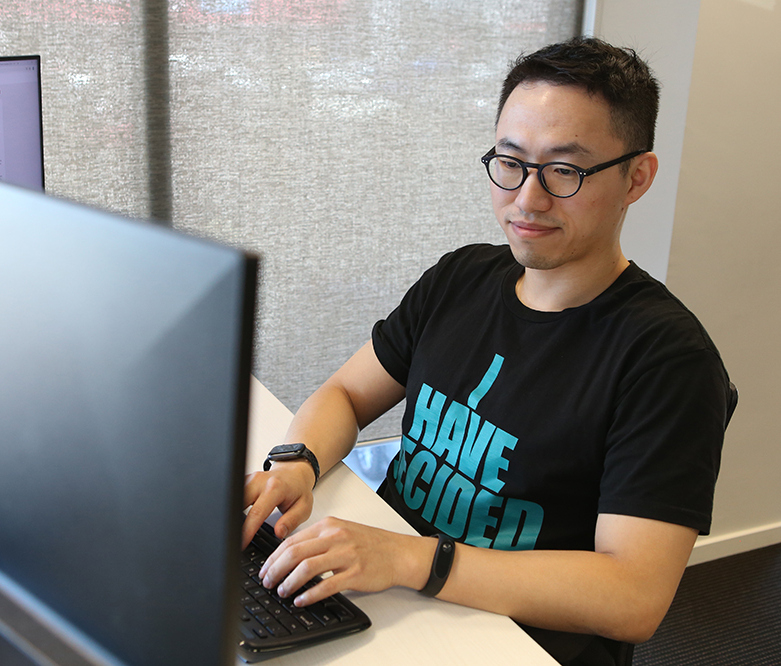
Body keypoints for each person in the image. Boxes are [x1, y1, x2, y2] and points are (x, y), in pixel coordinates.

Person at [241, 36, 731, 666]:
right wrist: (296, 463)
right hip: (382, 591)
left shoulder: (668, 362)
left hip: (514, 639)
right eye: (510, 161)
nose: (527, 199)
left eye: (565, 170)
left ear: (637, 177)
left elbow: (633, 595)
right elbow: (346, 393)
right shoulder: (462, 278)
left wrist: (416, 559)